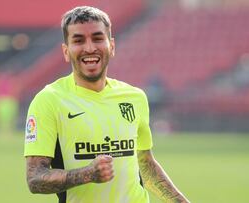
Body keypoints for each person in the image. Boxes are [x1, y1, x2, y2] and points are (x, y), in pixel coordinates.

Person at [24, 6, 190, 203]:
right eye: (78, 40)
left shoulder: (135, 97)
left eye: (97, 38)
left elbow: (145, 165)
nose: (89, 47)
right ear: (66, 51)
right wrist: (87, 174)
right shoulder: (49, 100)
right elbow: (35, 178)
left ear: (111, 46)